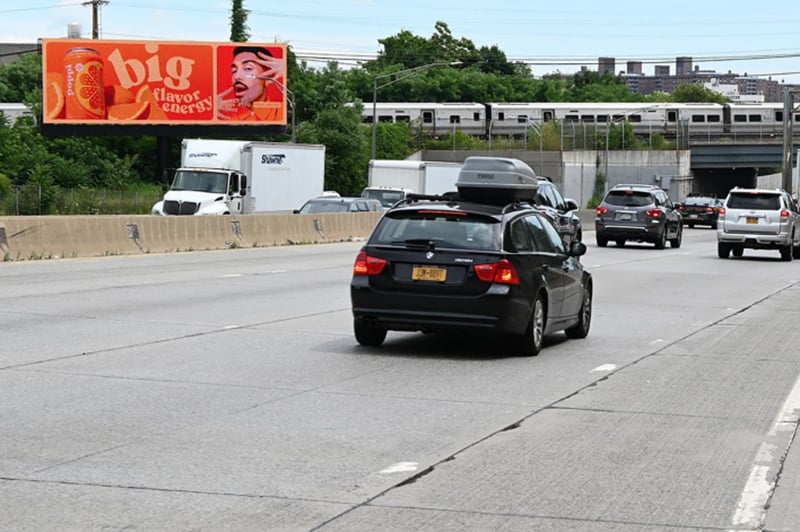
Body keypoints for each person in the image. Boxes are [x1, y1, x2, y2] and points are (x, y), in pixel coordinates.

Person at [217, 46, 286, 121]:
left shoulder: (281, 113)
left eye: (248, 68)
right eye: (234, 71)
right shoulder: (223, 115)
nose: (237, 76)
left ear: (268, 75)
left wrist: (286, 68)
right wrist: (208, 112)